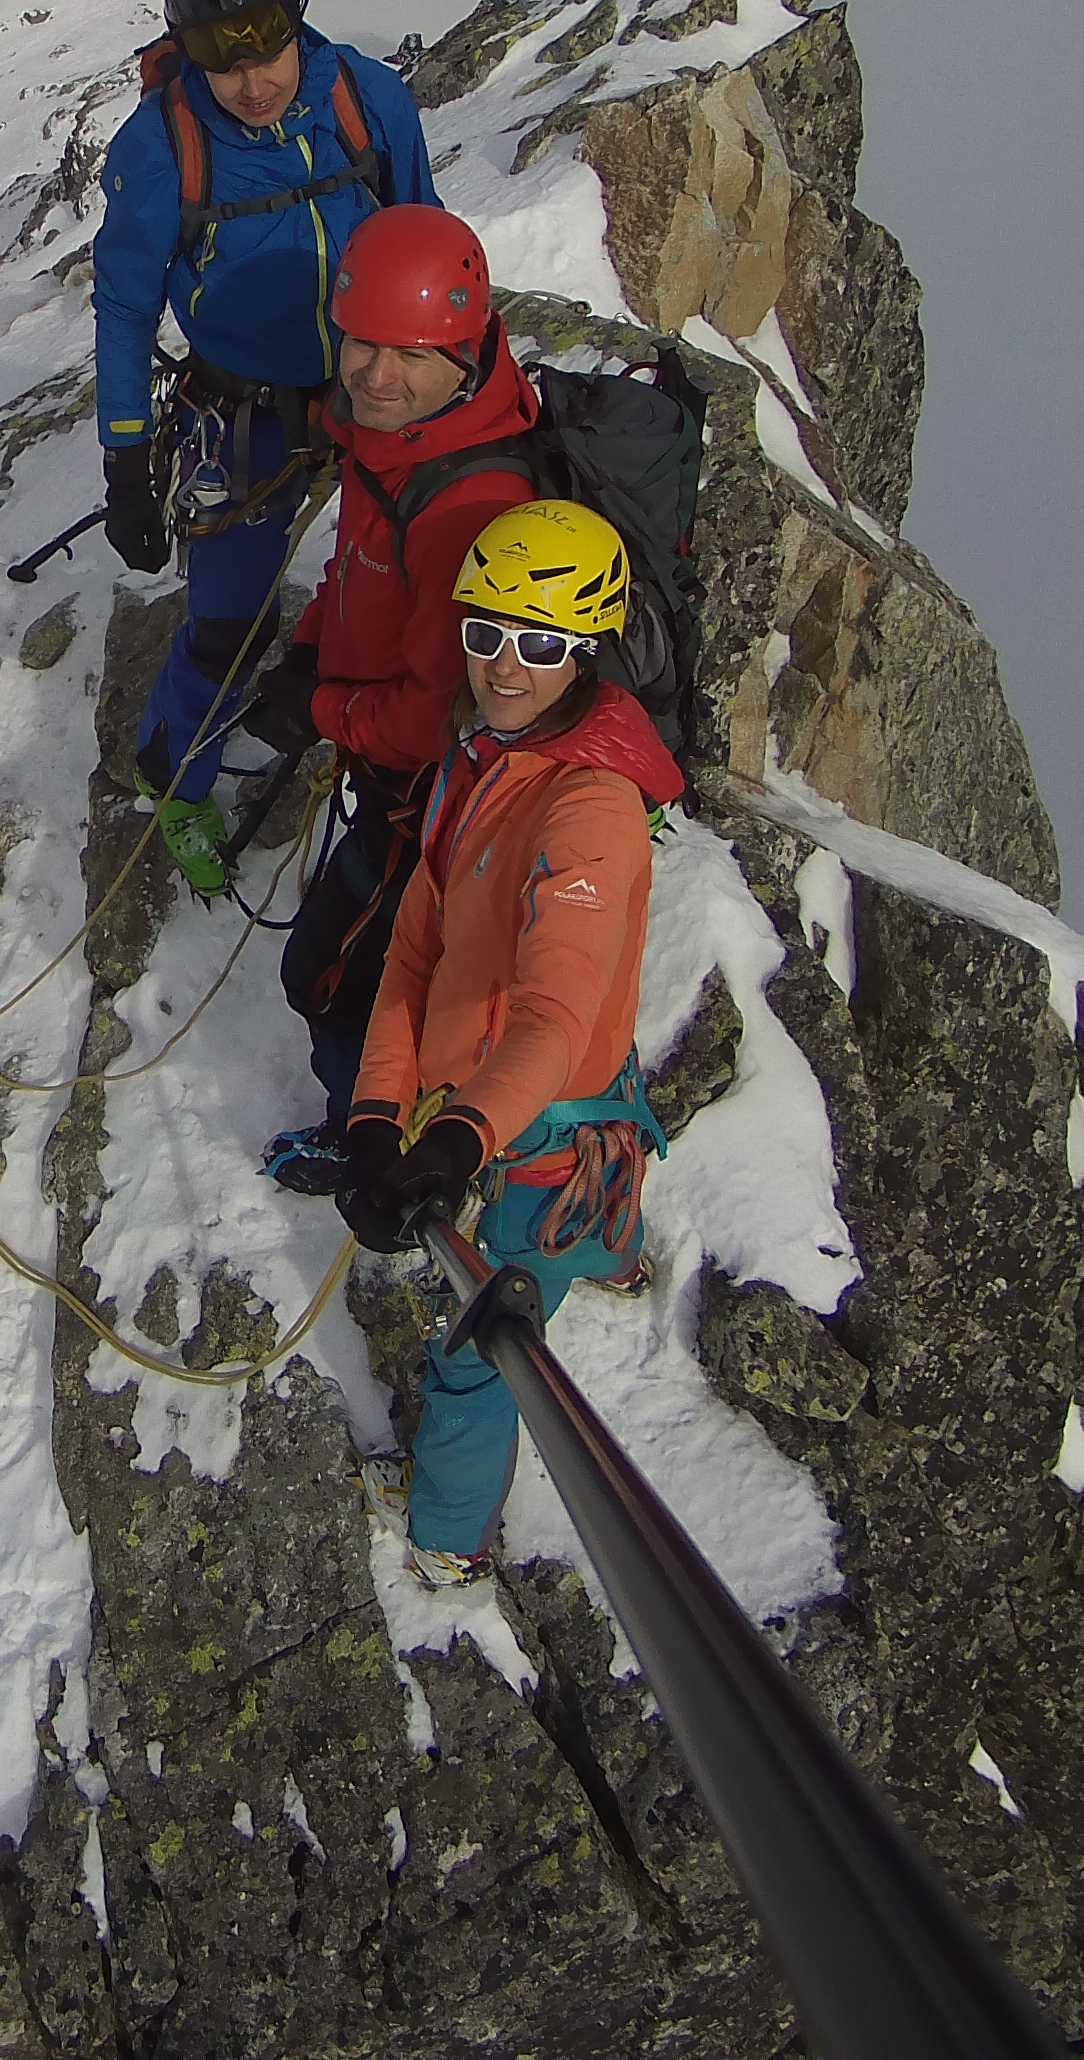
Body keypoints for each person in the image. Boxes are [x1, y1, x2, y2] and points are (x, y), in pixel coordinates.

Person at [333, 499, 685, 1590]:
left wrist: (458, 1141)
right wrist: (376, 1115)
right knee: (575, 1194)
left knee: (482, 1354)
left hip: (530, 1126)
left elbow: (553, 1017)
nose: (504, 665)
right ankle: (610, 1254)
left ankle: (445, 1536)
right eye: (487, 633)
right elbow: (412, 957)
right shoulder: (479, 758)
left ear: (587, 651)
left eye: (540, 644)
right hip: (527, 1107)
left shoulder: (589, 812)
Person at [93, 0, 438, 886]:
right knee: (227, 629)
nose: (251, 81)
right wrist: (126, 461)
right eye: (217, 54)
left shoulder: (368, 101)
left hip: (375, 394)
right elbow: (124, 306)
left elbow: (422, 235)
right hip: (245, 417)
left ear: (297, 19)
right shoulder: (164, 146)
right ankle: (178, 782)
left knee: (406, 588)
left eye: (265, 40)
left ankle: (386, 751)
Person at [252, 205, 543, 1192]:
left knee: (333, 982)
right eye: (361, 343)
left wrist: (320, 711)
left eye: (409, 353)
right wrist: (306, 653)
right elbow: (354, 571)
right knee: (350, 973)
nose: (376, 373)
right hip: (387, 775)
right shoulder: (397, 444)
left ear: (464, 349)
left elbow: (441, 712)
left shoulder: (469, 505)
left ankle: (368, 1135)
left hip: (425, 800)